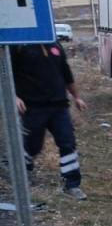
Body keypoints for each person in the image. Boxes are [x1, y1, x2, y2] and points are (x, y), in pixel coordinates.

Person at [9, 41, 88, 200]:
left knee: (68, 143)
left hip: (59, 106)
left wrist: (77, 97)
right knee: (32, 146)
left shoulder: (54, 43)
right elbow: (6, 73)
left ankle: (72, 185)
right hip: (32, 107)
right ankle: (22, 174)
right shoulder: (17, 45)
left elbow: (66, 72)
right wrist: (14, 97)